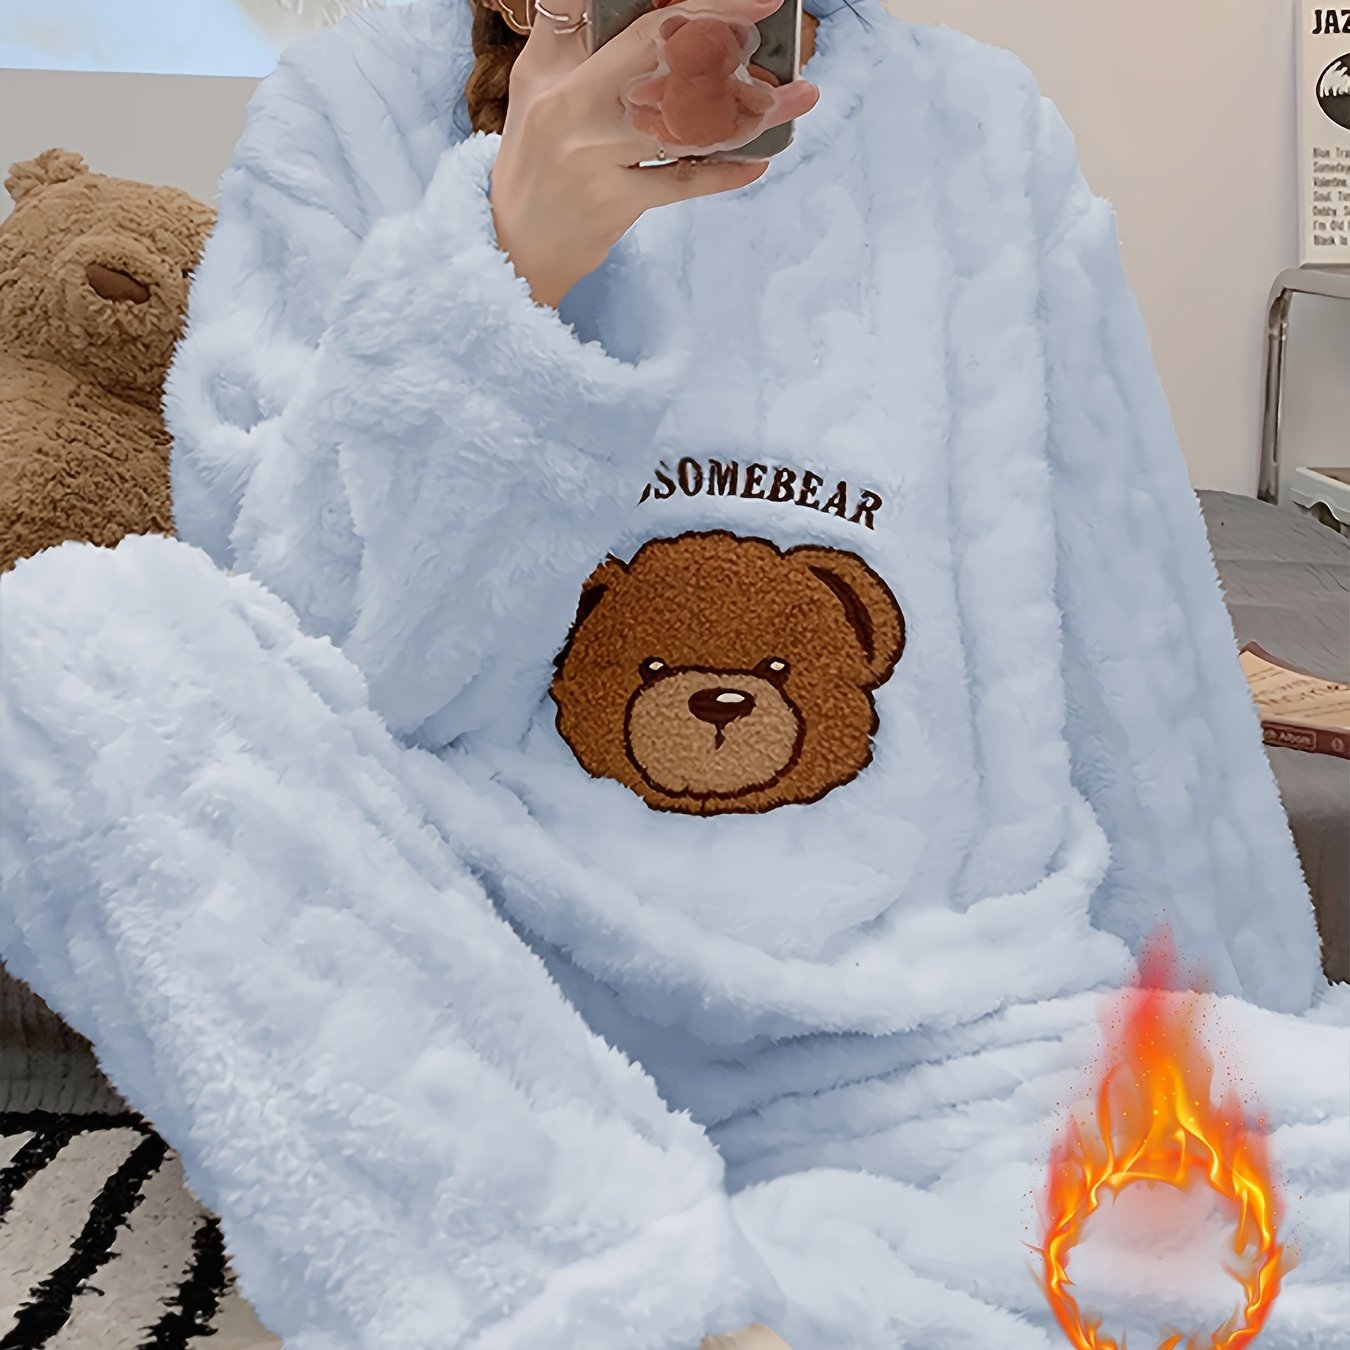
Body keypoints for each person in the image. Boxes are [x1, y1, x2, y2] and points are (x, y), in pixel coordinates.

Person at [2, 1, 1345, 1347]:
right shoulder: (349, 106)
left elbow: (1130, 622)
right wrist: (511, 258)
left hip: (923, 1035)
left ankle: (640, 1289)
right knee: (72, 643)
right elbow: (317, 694)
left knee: (1264, 1146)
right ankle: (603, 1281)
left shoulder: (979, 127)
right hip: (483, 1027)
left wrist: (1251, 1010)